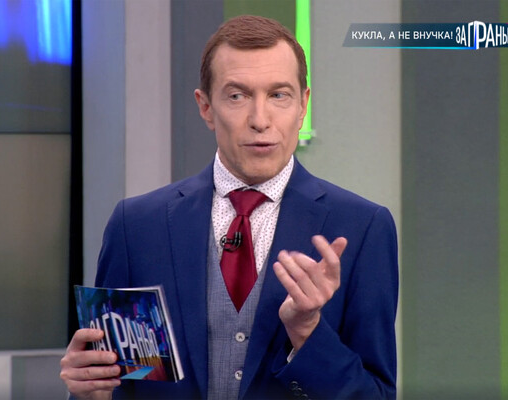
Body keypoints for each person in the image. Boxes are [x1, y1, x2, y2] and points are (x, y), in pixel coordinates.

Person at [60, 15, 398, 400]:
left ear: (303, 104)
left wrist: (306, 331)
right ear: (206, 107)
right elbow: (116, 382)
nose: (260, 120)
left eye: (279, 95)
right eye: (237, 96)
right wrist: (89, 391)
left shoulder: (362, 228)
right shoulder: (137, 227)